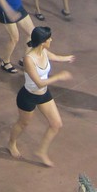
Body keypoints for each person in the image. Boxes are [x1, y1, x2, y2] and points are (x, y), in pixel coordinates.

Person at [7, 26, 75, 168]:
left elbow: (55, 57)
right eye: (49, 38)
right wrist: (59, 77)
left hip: (44, 94)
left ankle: (41, 152)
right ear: (43, 41)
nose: (51, 40)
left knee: (56, 124)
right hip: (28, 97)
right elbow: (38, 82)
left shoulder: (43, 51)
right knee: (23, 123)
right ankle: (11, 143)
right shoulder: (29, 59)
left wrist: (67, 58)